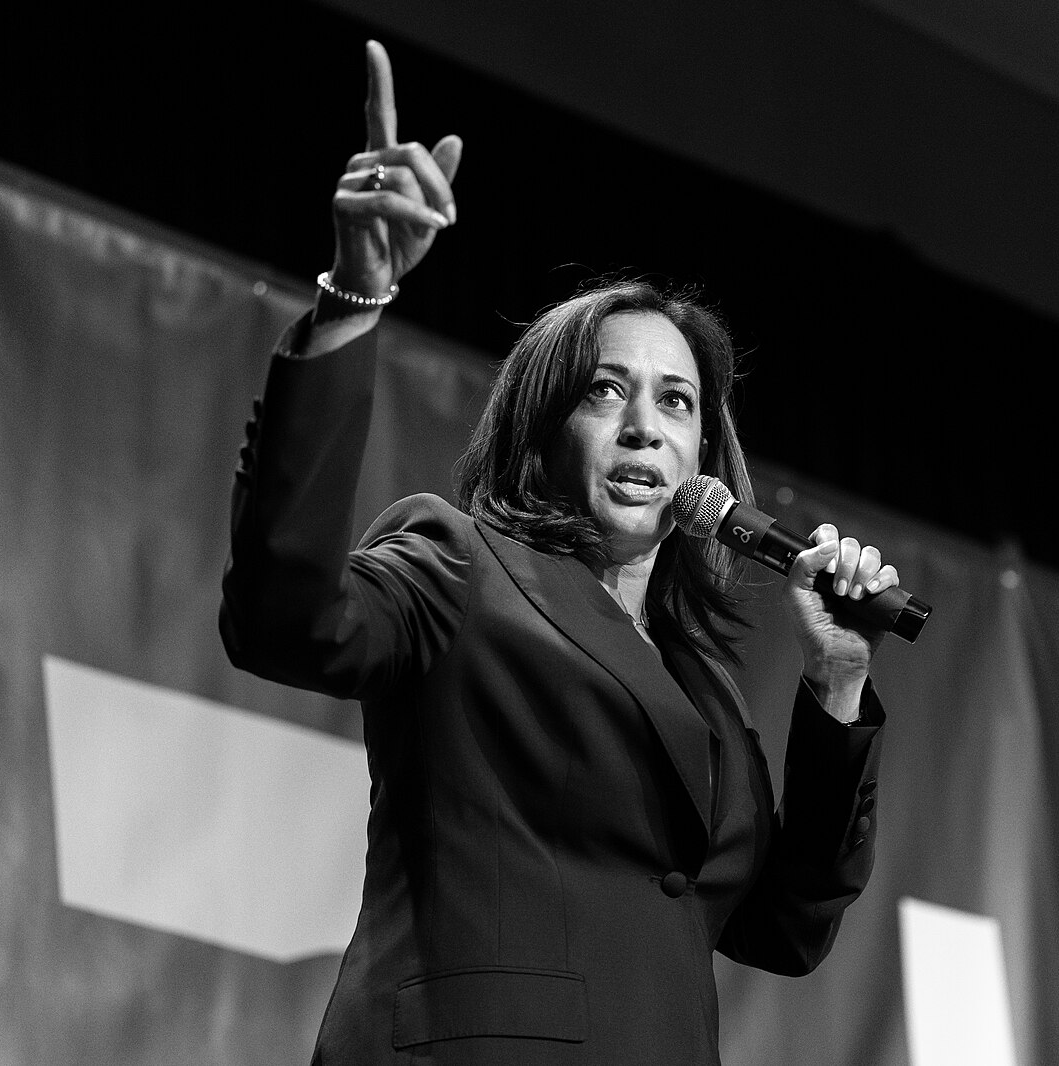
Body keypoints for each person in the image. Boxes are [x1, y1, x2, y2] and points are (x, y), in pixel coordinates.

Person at [219, 41, 900, 1066]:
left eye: (677, 402)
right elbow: (283, 620)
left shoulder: (705, 691)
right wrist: (354, 297)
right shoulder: (458, 562)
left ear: (705, 458)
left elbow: (786, 929)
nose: (644, 427)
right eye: (604, 390)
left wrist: (837, 683)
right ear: (542, 433)